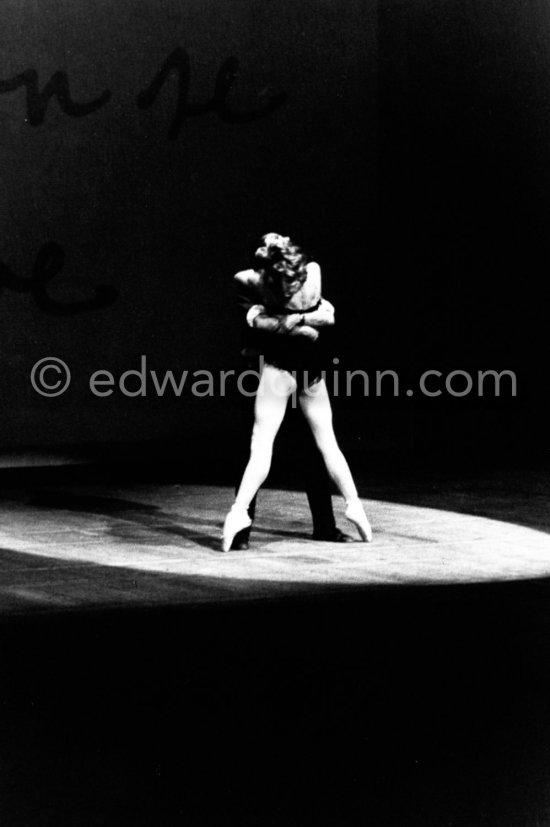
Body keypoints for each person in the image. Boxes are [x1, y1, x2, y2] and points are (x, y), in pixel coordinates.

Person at [222, 233, 372, 552]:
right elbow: (263, 323)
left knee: (305, 448)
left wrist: (297, 320)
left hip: (294, 369)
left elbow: (323, 316)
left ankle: (325, 525)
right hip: (272, 368)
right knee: (260, 450)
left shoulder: (282, 280)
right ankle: (241, 528)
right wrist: (303, 321)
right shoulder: (254, 286)